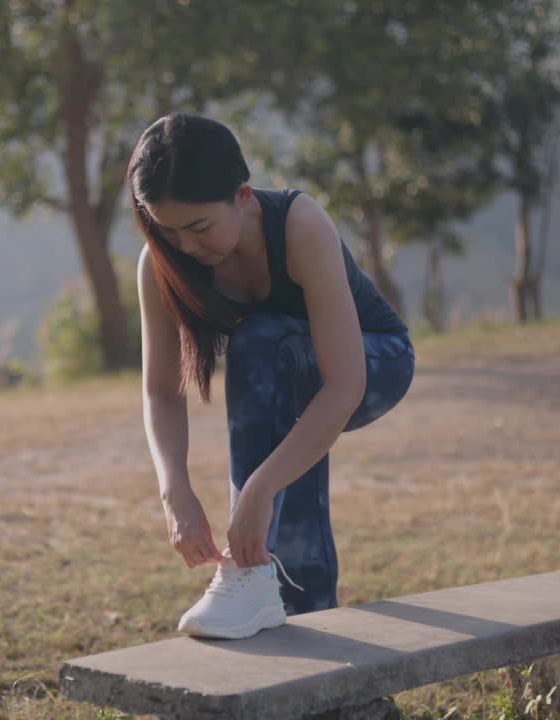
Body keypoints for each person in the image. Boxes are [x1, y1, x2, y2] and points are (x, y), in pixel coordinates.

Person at [130, 113, 414, 640]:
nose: (185, 247)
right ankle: (306, 616)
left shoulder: (299, 224)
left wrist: (257, 491)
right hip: (285, 384)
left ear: (241, 195)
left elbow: (344, 386)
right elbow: (161, 392)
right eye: (165, 230)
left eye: (198, 228)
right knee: (270, 371)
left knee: (260, 342)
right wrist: (176, 492)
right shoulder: (159, 264)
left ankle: (247, 574)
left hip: (376, 363)